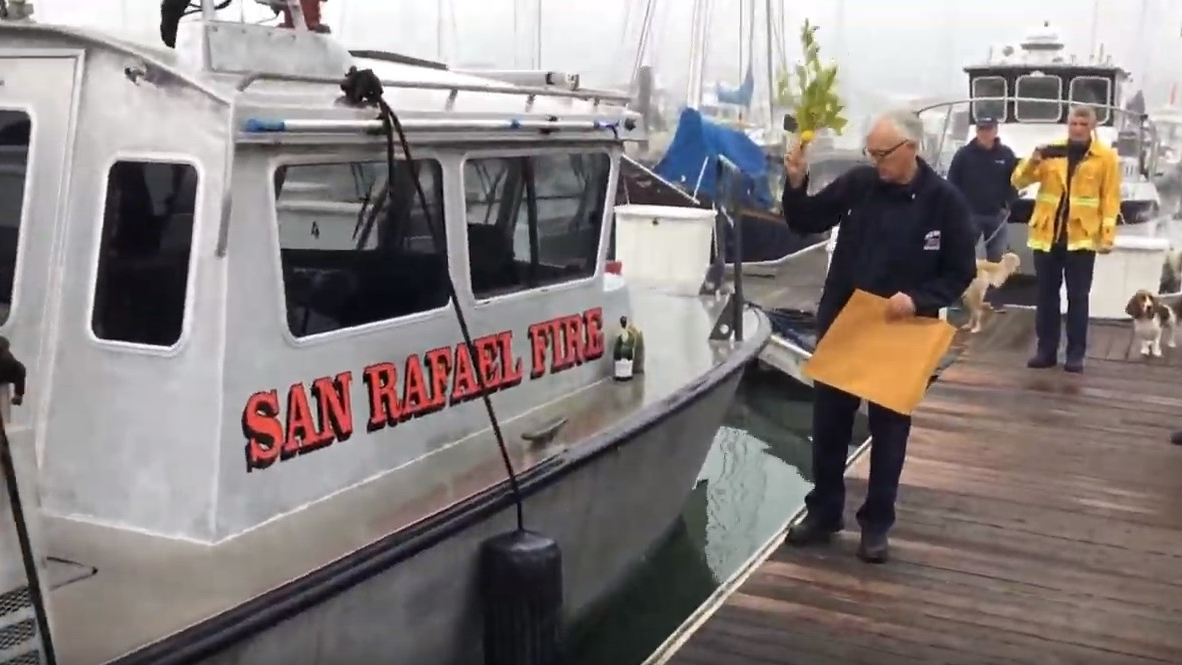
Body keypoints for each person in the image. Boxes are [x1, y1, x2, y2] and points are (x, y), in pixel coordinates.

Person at [780, 109, 977, 563]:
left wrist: (919, 296)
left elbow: (960, 270)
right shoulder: (859, 185)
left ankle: (876, 523)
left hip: (902, 328)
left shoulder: (944, 202)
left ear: (911, 149)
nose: (875, 161)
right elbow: (806, 219)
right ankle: (825, 512)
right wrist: (795, 182)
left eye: (882, 154)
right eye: (870, 153)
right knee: (829, 424)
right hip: (847, 318)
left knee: (889, 431)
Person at [1011, 105, 1120, 373]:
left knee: (1078, 297)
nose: (1078, 128)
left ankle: (1075, 355)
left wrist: (1107, 235)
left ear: (1092, 127)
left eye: (1083, 124)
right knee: (1046, 297)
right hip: (1047, 236)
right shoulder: (1051, 151)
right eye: (1073, 123)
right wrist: (1034, 159)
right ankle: (1045, 351)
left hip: (1081, 239)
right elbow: (1018, 181)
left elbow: (1110, 198)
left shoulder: (1105, 158)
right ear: (1067, 125)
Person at [947, 117, 1018, 310]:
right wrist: (957, 209)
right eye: (981, 129)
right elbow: (952, 183)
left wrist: (1009, 203)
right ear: (977, 131)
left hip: (996, 215)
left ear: (996, 130)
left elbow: (1015, 181)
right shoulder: (963, 155)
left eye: (988, 129)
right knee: (963, 257)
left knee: (998, 259)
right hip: (969, 215)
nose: (985, 133)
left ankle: (995, 300)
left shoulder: (1006, 154)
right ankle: (958, 298)